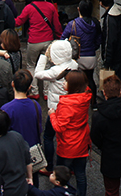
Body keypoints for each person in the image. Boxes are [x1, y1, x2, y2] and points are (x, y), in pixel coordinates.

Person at [35, 39, 80, 171]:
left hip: (55, 109)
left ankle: (49, 166)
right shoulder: (73, 64)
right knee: (68, 137)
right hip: (70, 107)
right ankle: (69, 167)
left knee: (48, 136)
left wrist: (44, 56)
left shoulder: (55, 71)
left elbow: (38, 74)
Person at [50, 70, 92, 196]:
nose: (63, 83)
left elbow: (59, 127)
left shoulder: (67, 104)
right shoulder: (86, 96)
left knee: (61, 174)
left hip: (67, 144)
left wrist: (52, 115)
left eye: (66, 81)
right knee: (80, 174)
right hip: (82, 141)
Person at [17, 0, 62, 98]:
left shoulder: (29, 8)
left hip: (34, 41)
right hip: (48, 40)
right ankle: (47, 92)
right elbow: (57, 26)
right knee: (47, 66)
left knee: (31, 65)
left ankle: (34, 91)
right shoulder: (51, 7)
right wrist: (59, 37)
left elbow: (19, 22)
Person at [0, 109, 33, 196]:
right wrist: (30, 177)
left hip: (6, 191)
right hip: (22, 188)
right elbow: (28, 160)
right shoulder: (17, 136)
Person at [2, 69, 43, 163]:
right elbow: (39, 129)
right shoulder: (36, 105)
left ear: (13, 84)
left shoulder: (6, 109)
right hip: (32, 152)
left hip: (14, 152)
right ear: (29, 87)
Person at [62, 0, 100, 99]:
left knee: (77, 80)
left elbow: (62, 38)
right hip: (91, 56)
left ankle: (79, 100)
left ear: (78, 9)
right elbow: (98, 40)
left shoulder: (72, 24)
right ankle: (93, 102)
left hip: (77, 57)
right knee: (90, 79)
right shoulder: (95, 23)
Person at [98, 0, 121, 98]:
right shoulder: (120, 10)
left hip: (114, 55)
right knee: (119, 77)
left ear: (101, 3)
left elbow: (109, 41)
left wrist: (107, 59)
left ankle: (115, 98)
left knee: (112, 81)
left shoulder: (110, 19)